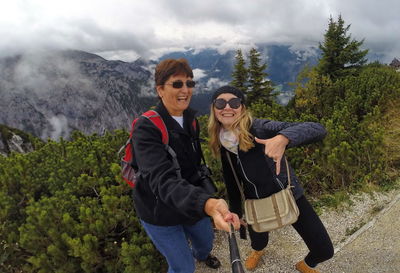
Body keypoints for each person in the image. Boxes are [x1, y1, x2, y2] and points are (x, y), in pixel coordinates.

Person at [208, 85, 334, 273]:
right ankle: (258, 251)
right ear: (214, 108)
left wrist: (283, 138)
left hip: (289, 195)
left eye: (234, 102)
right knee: (258, 241)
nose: (227, 107)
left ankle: (305, 265)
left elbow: (317, 129)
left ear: (242, 107)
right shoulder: (222, 140)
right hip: (255, 202)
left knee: (324, 250)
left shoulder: (260, 129)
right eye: (220, 102)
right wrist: (236, 213)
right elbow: (232, 180)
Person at [131, 59, 240, 273]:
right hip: (159, 212)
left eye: (189, 83)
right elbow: (162, 180)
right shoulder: (146, 128)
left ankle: (202, 255)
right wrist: (207, 204)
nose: (186, 90)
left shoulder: (190, 120)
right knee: (183, 267)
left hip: (192, 202)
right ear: (160, 90)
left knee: (205, 243)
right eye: (177, 84)